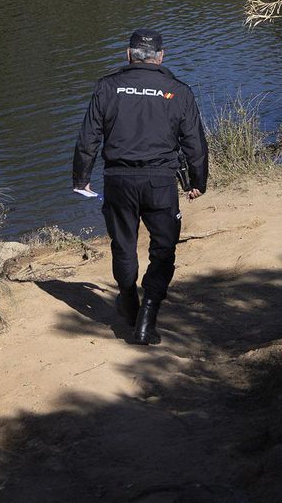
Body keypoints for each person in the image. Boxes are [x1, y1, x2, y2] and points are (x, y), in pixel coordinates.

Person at [72, 29, 209, 345]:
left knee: (123, 244)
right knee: (164, 249)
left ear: (128, 54)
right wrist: (198, 181)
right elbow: (195, 144)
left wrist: (81, 178)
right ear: (161, 57)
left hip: (119, 180)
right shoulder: (178, 91)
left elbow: (88, 138)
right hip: (160, 182)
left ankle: (130, 305)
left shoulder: (107, 87)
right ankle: (146, 317)